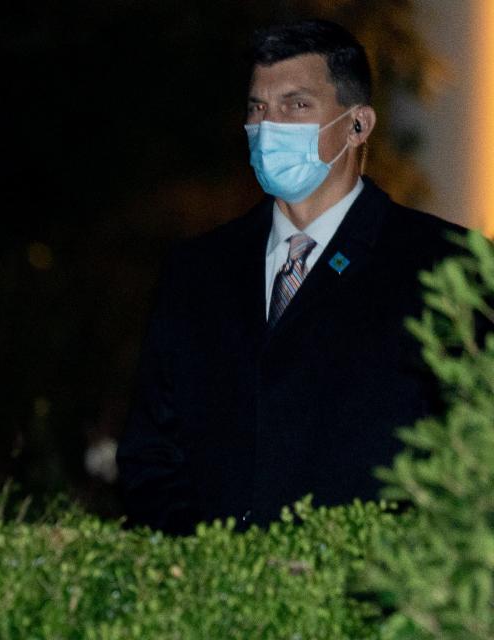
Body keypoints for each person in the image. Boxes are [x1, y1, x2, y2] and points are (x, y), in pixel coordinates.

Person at [116, 19, 465, 536]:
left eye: (296, 105)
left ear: (357, 125)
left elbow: (470, 457)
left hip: (367, 599)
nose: (268, 126)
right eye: (258, 108)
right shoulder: (198, 273)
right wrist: (202, 562)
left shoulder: (443, 265)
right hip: (215, 599)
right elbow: (151, 457)